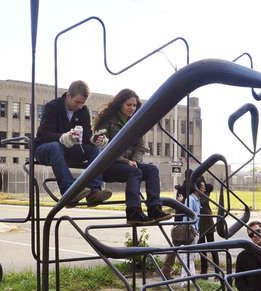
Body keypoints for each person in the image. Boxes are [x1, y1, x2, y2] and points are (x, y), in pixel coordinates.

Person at [93, 89, 169, 225]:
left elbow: (140, 147)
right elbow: (104, 147)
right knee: (135, 171)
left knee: (152, 170)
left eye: (134, 105)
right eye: (129, 105)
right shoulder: (108, 121)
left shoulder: (135, 122)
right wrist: (126, 161)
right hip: (108, 164)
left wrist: (134, 160)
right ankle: (133, 212)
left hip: (128, 163)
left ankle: (154, 208)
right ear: (120, 104)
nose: (132, 108)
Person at [33, 80, 112, 206]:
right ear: (68, 96)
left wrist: (95, 139)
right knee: (55, 147)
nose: (79, 106)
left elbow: (86, 136)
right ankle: (69, 192)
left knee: (93, 150)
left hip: (69, 150)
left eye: (82, 103)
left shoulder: (83, 111)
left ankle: (94, 191)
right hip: (45, 149)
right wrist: (62, 137)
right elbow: (43, 134)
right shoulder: (52, 107)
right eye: (77, 102)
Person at [195, 177, 220, 274]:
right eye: (201, 185)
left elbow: (211, 186)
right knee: (202, 248)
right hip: (200, 223)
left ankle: (217, 271)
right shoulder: (195, 194)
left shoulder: (206, 191)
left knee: (212, 246)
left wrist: (203, 185)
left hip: (208, 222)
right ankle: (204, 271)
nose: (203, 186)